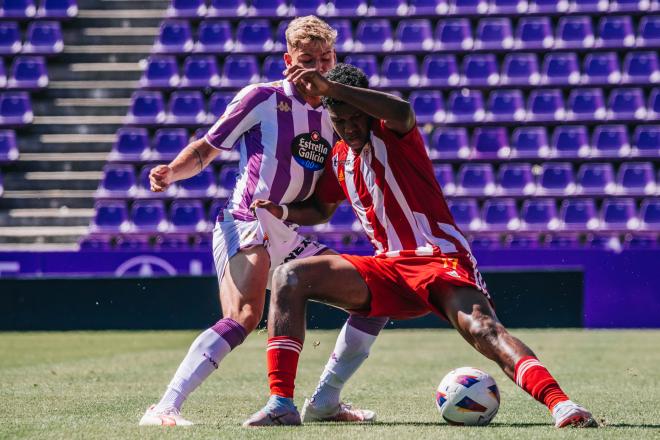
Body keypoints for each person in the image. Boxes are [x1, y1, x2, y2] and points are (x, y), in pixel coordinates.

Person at [244, 63, 598, 428]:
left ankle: (562, 405)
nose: (349, 128)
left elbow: (403, 111)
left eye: (354, 118)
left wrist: (332, 88)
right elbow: (321, 208)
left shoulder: (391, 131)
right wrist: (281, 210)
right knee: (288, 276)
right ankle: (282, 404)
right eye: (340, 120)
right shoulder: (339, 157)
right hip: (387, 268)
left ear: (366, 110)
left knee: (483, 330)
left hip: (438, 258)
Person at [139, 17, 386, 427]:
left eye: (325, 60)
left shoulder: (338, 113)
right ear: (289, 60)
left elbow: (331, 196)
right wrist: (173, 172)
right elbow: (208, 147)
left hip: (287, 229)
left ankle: (324, 402)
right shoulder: (261, 97)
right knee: (246, 315)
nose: (318, 69)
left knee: (373, 298)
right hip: (247, 218)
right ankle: (164, 407)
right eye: (308, 60)